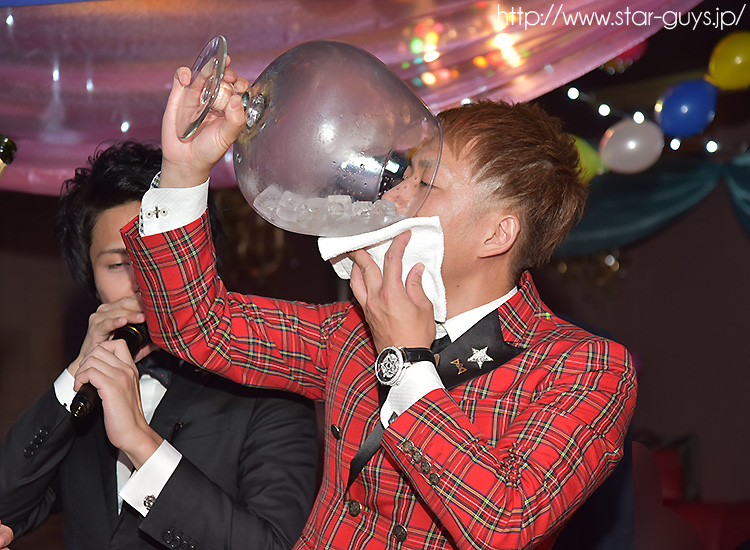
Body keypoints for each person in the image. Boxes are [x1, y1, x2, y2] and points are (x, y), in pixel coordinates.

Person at [121, 66, 637, 549]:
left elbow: (506, 523)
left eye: (426, 183)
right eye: (405, 175)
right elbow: (200, 327)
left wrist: (406, 360)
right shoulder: (353, 328)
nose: (393, 196)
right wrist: (184, 170)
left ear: (496, 234)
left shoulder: (585, 367)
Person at [0, 141, 319, 550]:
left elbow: (275, 544)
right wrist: (78, 370)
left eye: (154, 258)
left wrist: (140, 442)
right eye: (118, 264)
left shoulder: (270, 388)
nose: (141, 282)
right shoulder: (85, 400)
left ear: (201, 258)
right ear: (90, 280)